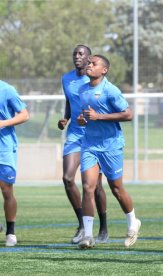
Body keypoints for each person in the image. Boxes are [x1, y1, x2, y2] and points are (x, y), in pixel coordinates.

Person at [76, 54, 141, 249]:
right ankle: (87, 235)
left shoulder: (111, 91)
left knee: (116, 189)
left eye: (93, 64)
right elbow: (87, 115)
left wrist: (99, 117)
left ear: (104, 70)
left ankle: (133, 221)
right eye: (88, 63)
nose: (89, 65)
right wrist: (82, 119)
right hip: (89, 144)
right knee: (88, 187)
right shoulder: (82, 90)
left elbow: (128, 114)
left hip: (111, 145)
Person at [58, 45, 108, 244]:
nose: (77, 57)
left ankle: (103, 227)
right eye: (75, 54)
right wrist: (65, 118)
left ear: (89, 58)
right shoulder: (66, 79)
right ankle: (82, 224)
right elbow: (70, 101)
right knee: (68, 179)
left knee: (95, 187)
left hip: (95, 136)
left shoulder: (94, 77)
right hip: (75, 135)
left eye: (81, 54)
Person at [0, 80, 29, 246]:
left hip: (4, 148)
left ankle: (10, 232)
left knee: (6, 190)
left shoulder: (7, 90)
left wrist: (3, 123)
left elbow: (24, 114)